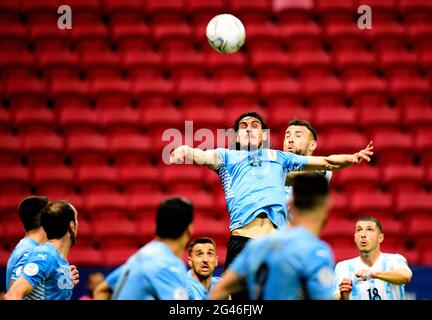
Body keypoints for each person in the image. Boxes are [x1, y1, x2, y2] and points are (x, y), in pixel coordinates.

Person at [170, 112, 373, 277]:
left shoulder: (279, 159)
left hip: (278, 248)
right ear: (237, 137)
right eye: (244, 126)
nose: (249, 128)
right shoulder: (226, 157)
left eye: (255, 125)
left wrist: (353, 158)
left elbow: (327, 162)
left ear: (264, 136)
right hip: (244, 244)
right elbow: (202, 155)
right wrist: (184, 150)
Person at [209, 173, 334, 300]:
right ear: (327, 206)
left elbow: (219, 291)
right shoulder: (316, 251)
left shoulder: (256, 246)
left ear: (290, 204)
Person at [112, 197, 194, 300]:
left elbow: (102, 290)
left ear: (157, 226)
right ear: (190, 229)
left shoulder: (140, 256)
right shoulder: (168, 265)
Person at [5, 200, 79, 300]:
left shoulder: (60, 259)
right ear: (72, 226)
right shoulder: (45, 255)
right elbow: (12, 295)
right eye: (76, 219)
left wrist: (61, 284)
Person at [333, 216, 412, 300]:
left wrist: (373, 274)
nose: (363, 235)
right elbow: (337, 296)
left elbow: (406, 276)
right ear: (355, 238)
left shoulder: (394, 260)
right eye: (359, 230)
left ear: (380, 238)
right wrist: (344, 296)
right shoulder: (343, 267)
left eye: (369, 229)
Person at [283, 119, 332, 220]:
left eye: (298, 136)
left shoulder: (321, 171)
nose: (290, 140)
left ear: (312, 145)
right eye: (287, 136)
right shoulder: (275, 167)